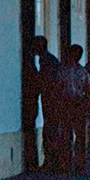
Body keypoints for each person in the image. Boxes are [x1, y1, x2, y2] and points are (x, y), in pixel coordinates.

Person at [29, 36, 61, 171]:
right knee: (51, 127)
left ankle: (51, 160)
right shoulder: (49, 59)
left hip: (51, 98)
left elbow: (46, 79)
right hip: (51, 98)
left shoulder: (46, 60)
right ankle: (52, 159)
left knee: (50, 128)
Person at [58, 44, 90, 174]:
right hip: (70, 103)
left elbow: (87, 88)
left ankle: (75, 162)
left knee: (75, 134)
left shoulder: (80, 71)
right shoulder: (78, 71)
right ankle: (70, 162)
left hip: (75, 103)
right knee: (69, 134)